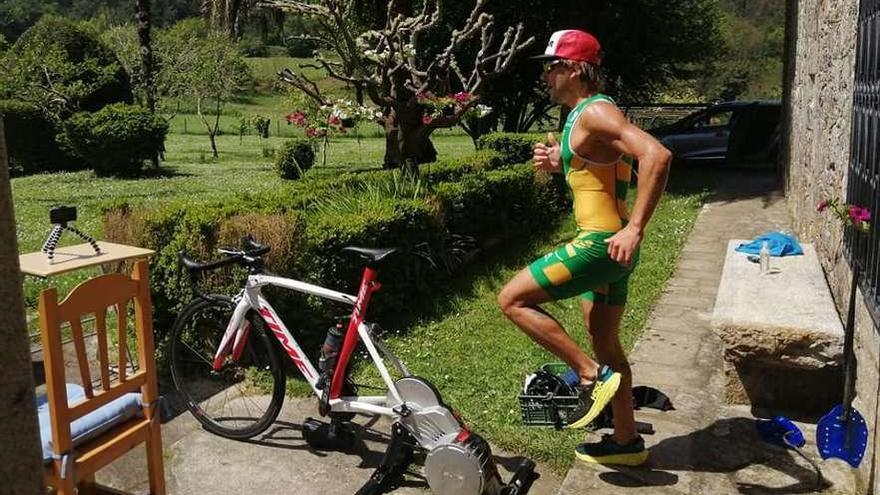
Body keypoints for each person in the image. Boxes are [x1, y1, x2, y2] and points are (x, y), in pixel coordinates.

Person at [497, 29, 671, 466]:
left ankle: (590, 377)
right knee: (607, 342)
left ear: (574, 68)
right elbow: (601, 172)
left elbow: (657, 156)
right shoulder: (582, 116)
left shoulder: (596, 113)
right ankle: (626, 443)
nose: (546, 76)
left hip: (601, 243)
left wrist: (636, 228)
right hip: (612, 250)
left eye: (552, 66)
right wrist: (559, 163)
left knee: (512, 299)